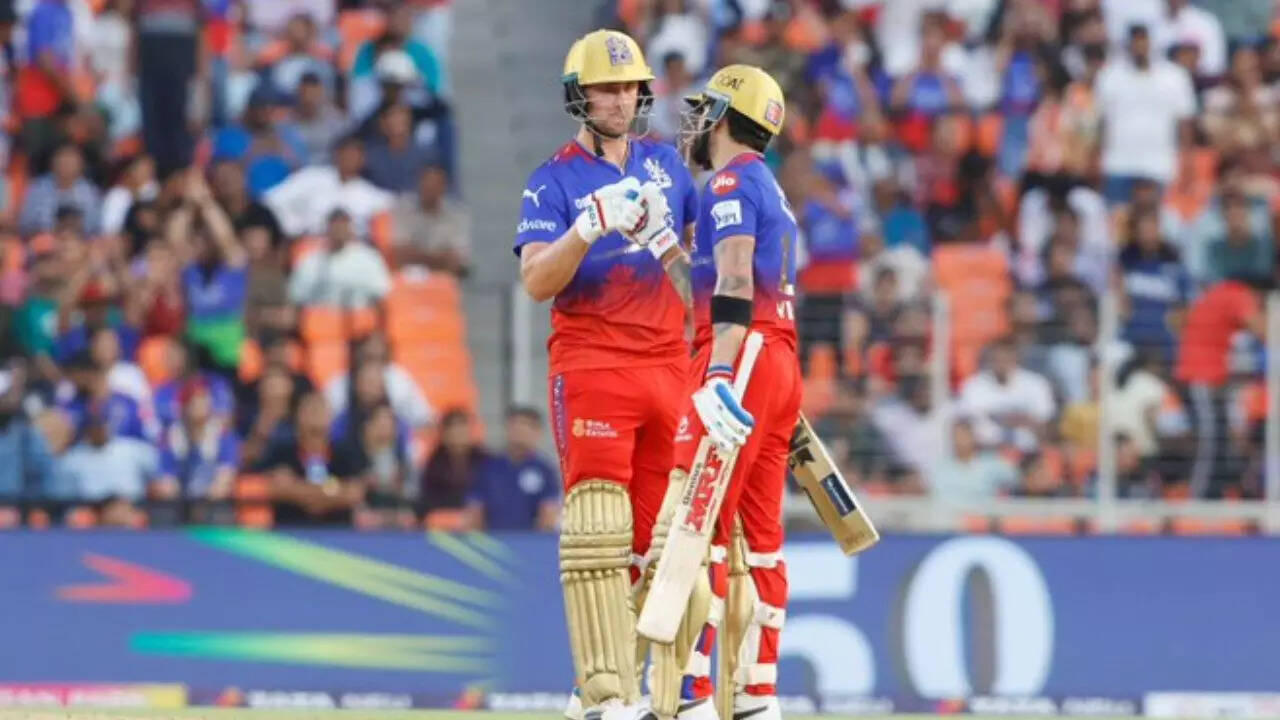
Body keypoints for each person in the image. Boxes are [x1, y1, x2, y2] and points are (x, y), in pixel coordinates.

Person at [513, 30, 699, 720]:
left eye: (628, 87)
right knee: (598, 534)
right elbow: (536, 281)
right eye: (606, 88)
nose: (620, 100)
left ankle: (613, 682)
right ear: (579, 97)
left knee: (662, 546)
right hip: (593, 365)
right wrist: (587, 227)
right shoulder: (552, 180)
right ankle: (604, 693)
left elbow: (694, 281)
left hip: (668, 363)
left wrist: (669, 243)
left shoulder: (668, 167)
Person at [671, 64, 801, 720]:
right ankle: (757, 696)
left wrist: (719, 373)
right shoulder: (768, 185)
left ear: (724, 117)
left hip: (741, 351)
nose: (696, 123)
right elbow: (712, 280)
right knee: (763, 537)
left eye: (705, 110)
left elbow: (734, 279)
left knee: (703, 525)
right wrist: (665, 247)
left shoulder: (726, 180)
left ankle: (692, 692)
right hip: (779, 362)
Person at [465, 406, 560, 531]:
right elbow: (475, 511)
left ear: (538, 432)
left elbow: (548, 515)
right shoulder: (488, 467)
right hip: (493, 538)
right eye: (515, 426)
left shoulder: (545, 471)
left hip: (531, 540)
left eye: (526, 426)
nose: (519, 431)